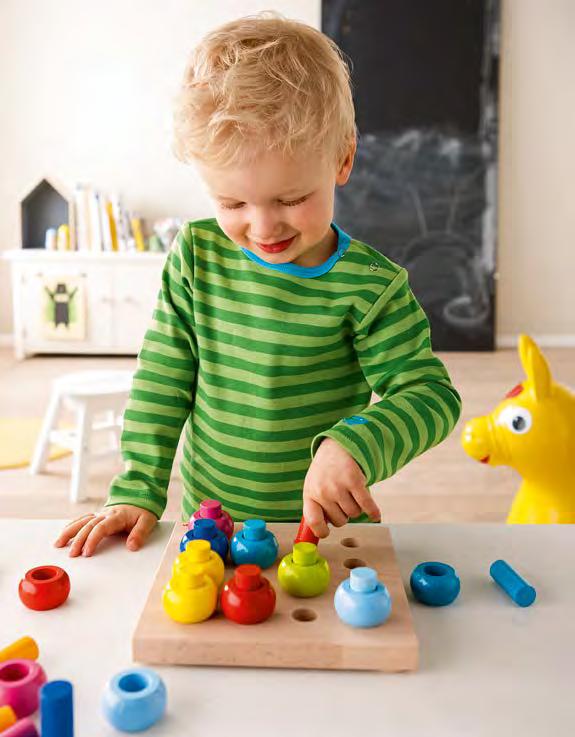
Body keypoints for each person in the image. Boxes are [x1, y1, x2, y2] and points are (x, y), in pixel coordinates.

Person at [55, 13, 461, 558]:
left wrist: (355, 443)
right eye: (233, 203)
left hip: (319, 538)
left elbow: (432, 395)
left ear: (343, 158)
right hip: (211, 530)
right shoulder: (196, 256)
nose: (264, 227)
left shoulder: (371, 288)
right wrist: (137, 489)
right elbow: (162, 381)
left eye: (291, 199)